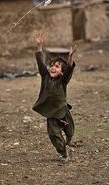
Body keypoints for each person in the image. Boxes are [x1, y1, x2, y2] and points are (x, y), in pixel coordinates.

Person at [32, 33, 77, 162]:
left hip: (63, 110)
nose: (53, 67)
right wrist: (39, 46)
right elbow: (40, 62)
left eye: (57, 66)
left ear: (62, 72)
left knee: (70, 130)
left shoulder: (63, 80)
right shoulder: (45, 76)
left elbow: (69, 70)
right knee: (53, 134)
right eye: (52, 65)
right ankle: (63, 153)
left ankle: (69, 139)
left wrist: (70, 57)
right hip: (51, 113)